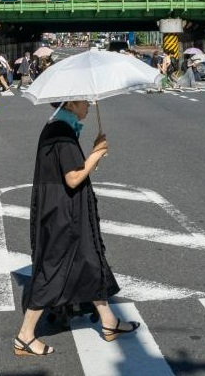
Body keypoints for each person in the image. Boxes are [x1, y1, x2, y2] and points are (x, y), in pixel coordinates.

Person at [14, 100, 138, 356]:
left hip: (62, 211)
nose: (90, 105)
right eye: (84, 100)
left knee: (89, 263)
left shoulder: (58, 127)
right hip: (64, 215)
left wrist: (92, 154)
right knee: (54, 271)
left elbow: (70, 170)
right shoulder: (62, 133)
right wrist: (97, 152)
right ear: (71, 103)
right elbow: (73, 178)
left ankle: (108, 321)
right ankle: (24, 336)